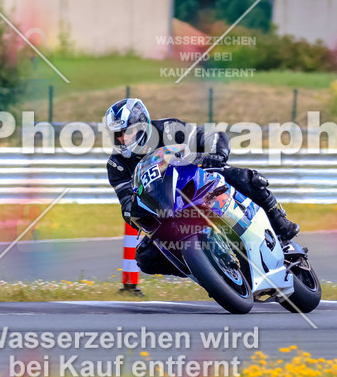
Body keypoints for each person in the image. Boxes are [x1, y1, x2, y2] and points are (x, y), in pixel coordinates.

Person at [103, 98, 300, 278]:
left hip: (198, 182)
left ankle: (280, 225)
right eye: (117, 135)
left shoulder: (168, 129)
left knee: (248, 179)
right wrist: (133, 212)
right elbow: (126, 203)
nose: (122, 139)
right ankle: (209, 272)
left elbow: (211, 137)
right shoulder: (116, 165)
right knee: (145, 258)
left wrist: (217, 154)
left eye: (127, 132)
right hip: (165, 212)